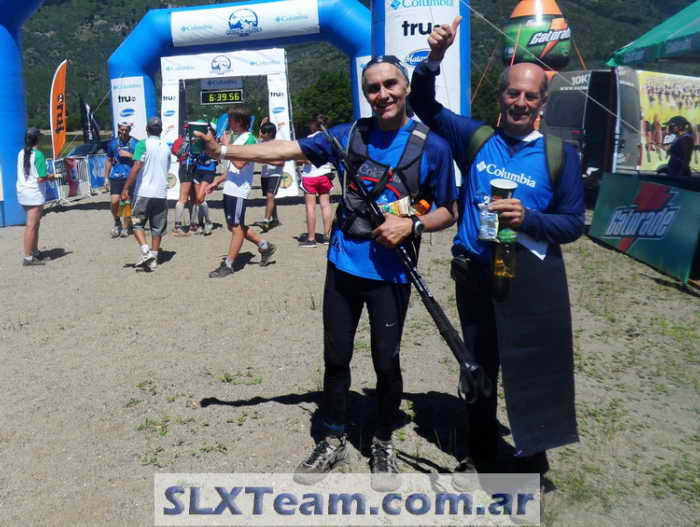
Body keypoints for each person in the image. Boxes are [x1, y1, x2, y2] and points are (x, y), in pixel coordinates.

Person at [195, 56, 458, 489]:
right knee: (336, 358)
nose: (383, 94)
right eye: (373, 88)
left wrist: (413, 225)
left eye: (390, 84)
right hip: (343, 266)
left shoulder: (434, 147)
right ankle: (332, 438)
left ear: (406, 87)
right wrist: (223, 151)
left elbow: (448, 209)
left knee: (386, 361)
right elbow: (285, 149)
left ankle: (382, 440)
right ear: (366, 93)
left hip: (392, 273)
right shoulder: (348, 136)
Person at [410, 17, 584, 483]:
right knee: (478, 364)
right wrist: (434, 58)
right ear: (500, 96)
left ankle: (532, 460)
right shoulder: (476, 138)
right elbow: (423, 104)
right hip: (473, 272)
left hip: (528, 276)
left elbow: (572, 224)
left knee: (533, 366)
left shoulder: (559, 154)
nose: (520, 102)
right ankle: (479, 452)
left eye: (530, 96)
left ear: (542, 103)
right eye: (513, 93)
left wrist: (529, 219)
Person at [204, 106, 276, 278]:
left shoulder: (249, 140)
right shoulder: (238, 139)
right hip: (230, 188)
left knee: (236, 227)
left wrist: (227, 146)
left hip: (239, 191)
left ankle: (229, 265)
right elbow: (232, 167)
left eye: (230, 120)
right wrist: (217, 181)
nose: (228, 123)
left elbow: (240, 164)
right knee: (234, 226)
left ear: (239, 121)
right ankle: (265, 245)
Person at [121, 117, 172, 271]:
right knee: (157, 227)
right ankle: (154, 258)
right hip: (161, 193)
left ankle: (145, 251)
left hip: (144, 192)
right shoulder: (166, 147)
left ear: (147, 129)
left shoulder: (142, 144)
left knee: (136, 222)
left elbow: (137, 166)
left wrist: (126, 188)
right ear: (161, 130)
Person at [16, 128, 52, 266]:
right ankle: (28, 257)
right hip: (34, 194)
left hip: (23, 191)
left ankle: (35, 252)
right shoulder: (38, 155)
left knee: (35, 224)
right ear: (37, 139)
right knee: (31, 226)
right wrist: (52, 176)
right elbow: (41, 178)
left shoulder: (21, 152)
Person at [299, 114, 334, 248]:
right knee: (326, 205)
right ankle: (327, 236)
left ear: (314, 124)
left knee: (310, 207)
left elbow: (307, 160)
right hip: (325, 174)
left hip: (310, 176)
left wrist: (297, 160)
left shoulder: (309, 139)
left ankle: (311, 239)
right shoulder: (329, 138)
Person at [102, 122, 138, 238]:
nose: (124, 132)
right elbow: (109, 160)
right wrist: (106, 178)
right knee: (114, 201)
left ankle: (126, 227)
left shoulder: (135, 143)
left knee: (126, 202)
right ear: (118, 129)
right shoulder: (112, 143)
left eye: (126, 130)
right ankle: (117, 222)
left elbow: (140, 160)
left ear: (129, 130)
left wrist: (129, 155)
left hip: (129, 177)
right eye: (122, 130)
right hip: (116, 176)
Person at [256, 119, 283, 231]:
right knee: (270, 198)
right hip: (265, 174)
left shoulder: (278, 145)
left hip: (275, 174)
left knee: (270, 196)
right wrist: (262, 123)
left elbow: (281, 162)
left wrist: (267, 160)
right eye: (261, 132)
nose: (261, 134)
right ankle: (275, 219)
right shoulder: (262, 143)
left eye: (264, 132)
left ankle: (266, 221)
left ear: (270, 133)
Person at [191, 151, 216, 235]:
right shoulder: (196, 143)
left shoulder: (211, 141)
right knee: (198, 200)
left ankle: (208, 222)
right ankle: (200, 224)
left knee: (200, 197)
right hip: (197, 170)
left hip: (209, 170)